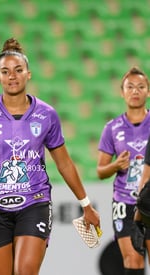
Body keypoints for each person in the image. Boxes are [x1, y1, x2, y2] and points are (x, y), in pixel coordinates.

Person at [0, 37, 101, 275]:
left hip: (34, 202)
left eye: (18, 70)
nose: (12, 76)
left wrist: (86, 204)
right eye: (5, 72)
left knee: (25, 271)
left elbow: (64, 163)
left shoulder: (47, 115)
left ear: (28, 74)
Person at [97, 66, 150, 275]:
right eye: (130, 87)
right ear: (122, 92)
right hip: (124, 202)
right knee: (132, 260)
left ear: (148, 91)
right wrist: (115, 166)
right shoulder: (112, 128)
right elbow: (101, 171)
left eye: (140, 87)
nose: (135, 91)